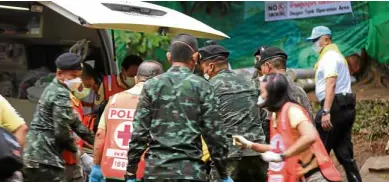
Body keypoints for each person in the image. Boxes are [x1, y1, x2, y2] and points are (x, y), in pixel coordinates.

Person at [125, 34, 232, 182]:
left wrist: (130, 172)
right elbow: (214, 135)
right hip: (190, 172)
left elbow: (139, 133)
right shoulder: (202, 86)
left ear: (169, 57)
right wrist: (223, 174)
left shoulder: (151, 86)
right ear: (196, 57)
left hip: (155, 172)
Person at [233, 73, 341, 182]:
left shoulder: (292, 111)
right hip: (301, 176)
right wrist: (249, 144)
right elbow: (278, 148)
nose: (260, 96)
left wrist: (282, 156)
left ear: (272, 94)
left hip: (315, 175)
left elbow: (310, 136)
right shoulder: (276, 115)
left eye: (262, 92)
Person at [197, 45, 266, 182]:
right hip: (256, 152)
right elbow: (263, 116)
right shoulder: (249, 82)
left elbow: (204, 124)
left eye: (203, 67)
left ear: (210, 66)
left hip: (228, 155)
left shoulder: (208, 87)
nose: (203, 71)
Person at [23, 53, 95, 182]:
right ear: (59, 73)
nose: (77, 80)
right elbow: (61, 133)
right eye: (73, 76)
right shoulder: (59, 93)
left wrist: (96, 142)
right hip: (45, 158)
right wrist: (77, 152)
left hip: (36, 156)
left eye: (78, 76)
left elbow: (75, 123)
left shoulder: (56, 89)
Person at [89, 61, 164, 182]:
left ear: (136, 79)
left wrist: (96, 166)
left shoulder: (114, 99)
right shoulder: (159, 104)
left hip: (111, 171)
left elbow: (100, 135)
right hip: (142, 172)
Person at [306, 26, 361, 182]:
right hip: (345, 107)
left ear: (326, 39)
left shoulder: (329, 56)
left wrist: (325, 111)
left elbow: (331, 83)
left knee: (318, 151)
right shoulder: (336, 55)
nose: (314, 44)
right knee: (345, 155)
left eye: (316, 40)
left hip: (334, 107)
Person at [255, 46, 314, 120]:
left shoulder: (273, 91)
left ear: (268, 66)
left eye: (261, 68)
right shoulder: (299, 89)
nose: (262, 72)